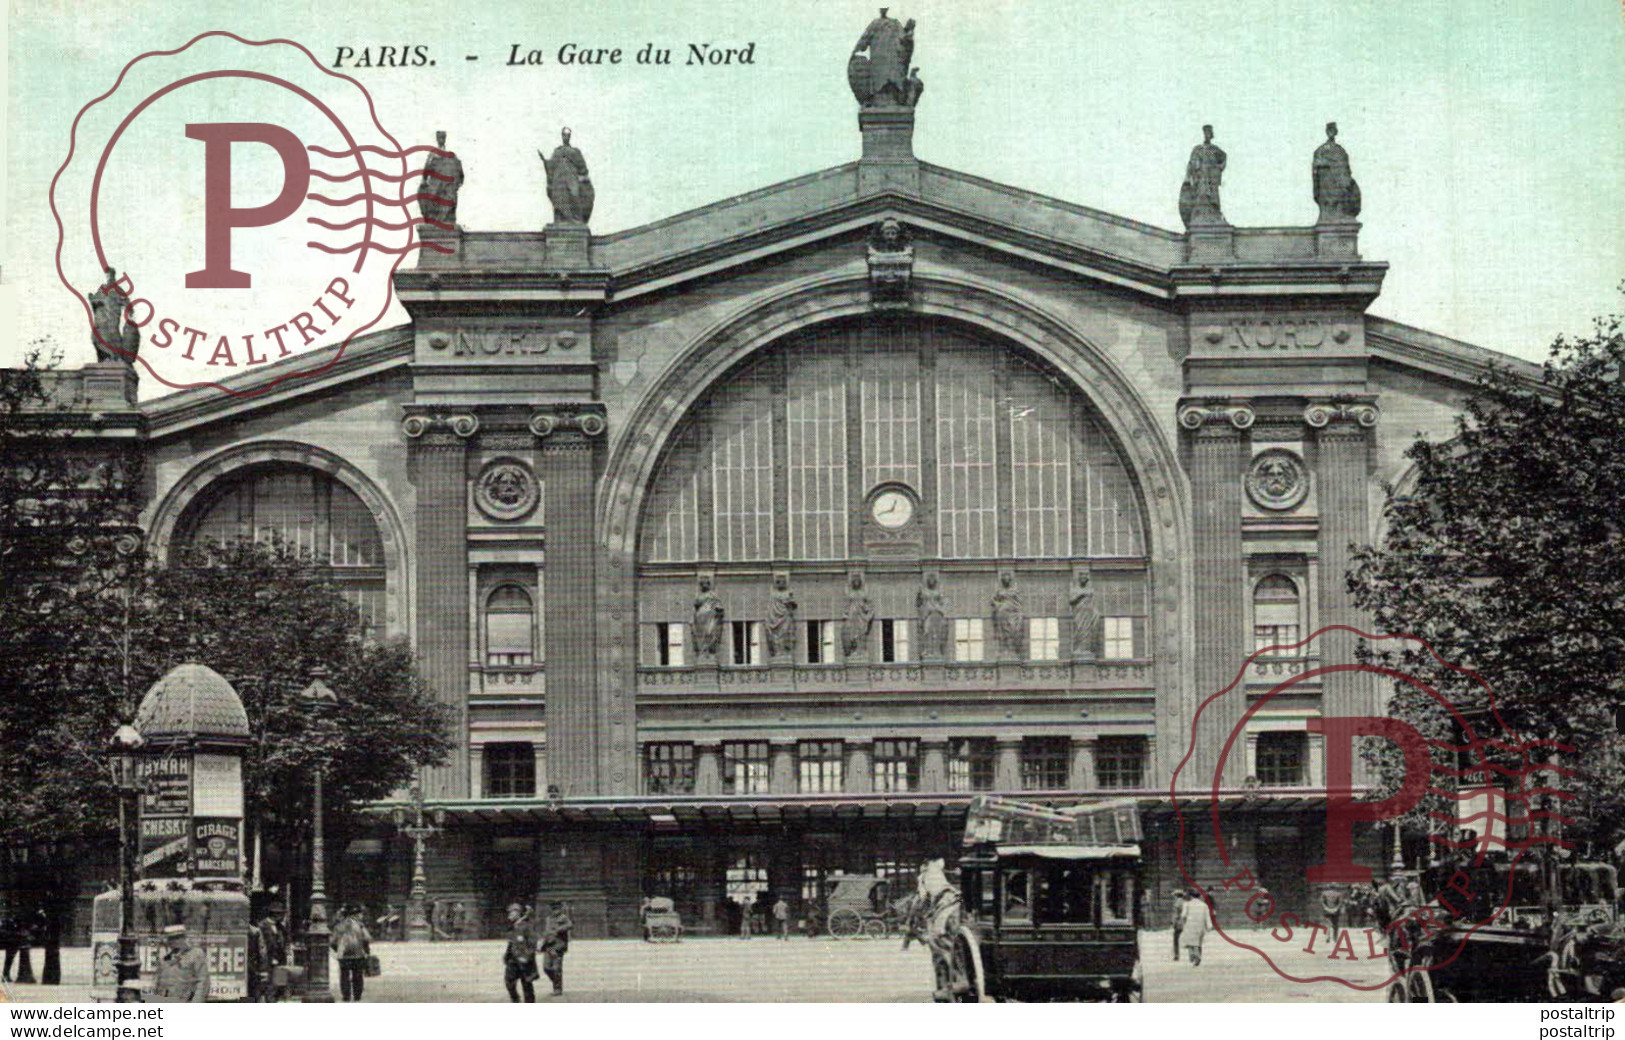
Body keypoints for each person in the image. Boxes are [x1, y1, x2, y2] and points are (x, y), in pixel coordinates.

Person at [150, 925, 209, 1002]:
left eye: (175, 938)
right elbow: (158, 985)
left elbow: (203, 981)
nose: (170, 942)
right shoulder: (165, 960)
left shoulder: (195, 954)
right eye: (169, 939)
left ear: (183, 938)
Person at [330, 904, 373, 1002]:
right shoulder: (360, 925)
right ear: (355, 915)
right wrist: (366, 950)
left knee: (344, 976)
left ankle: (346, 996)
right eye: (360, 914)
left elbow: (332, 941)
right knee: (358, 976)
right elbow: (368, 938)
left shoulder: (339, 926)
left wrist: (338, 949)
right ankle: (357, 995)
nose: (361, 916)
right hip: (358, 954)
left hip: (343, 955)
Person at [501, 903, 538, 1003]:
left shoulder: (526, 926)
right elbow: (511, 943)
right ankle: (515, 1000)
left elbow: (533, 943)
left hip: (524, 960)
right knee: (509, 982)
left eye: (511, 912)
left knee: (527, 985)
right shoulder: (513, 926)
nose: (509, 915)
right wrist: (506, 956)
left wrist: (526, 957)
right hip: (513, 960)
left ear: (518, 913)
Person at [540, 902, 572, 997]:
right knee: (546, 968)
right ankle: (556, 982)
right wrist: (542, 944)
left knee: (556, 968)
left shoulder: (563, 918)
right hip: (548, 946)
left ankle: (557, 988)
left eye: (557, 909)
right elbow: (546, 932)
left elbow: (570, 925)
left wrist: (559, 928)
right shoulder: (548, 919)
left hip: (558, 946)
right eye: (553, 909)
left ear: (560, 909)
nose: (555, 911)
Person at [1178, 890, 1211, 967]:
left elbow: (1183, 915)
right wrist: (1209, 926)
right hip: (1200, 925)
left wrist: (1183, 922)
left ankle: (1194, 956)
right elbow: (1207, 916)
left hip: (1190, 925)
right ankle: (1197, 956)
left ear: (1191, 896)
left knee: (1190, 942)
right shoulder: (1204, 905)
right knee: (1198, 942)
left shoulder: (1187, 904)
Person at [1, 914, 21, 982]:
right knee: (9, 959)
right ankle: (5, 975)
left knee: (9, 960)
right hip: (10, 941)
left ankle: (6, 975)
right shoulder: (8, 921)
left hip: (10, 941)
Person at [1169, 889, 1187, 961]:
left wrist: (1172, 922)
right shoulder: (1185, 902)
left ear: (1176, 896)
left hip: (1178, 923)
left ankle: (1176, 955)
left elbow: (1175, 914)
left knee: (1175, 939)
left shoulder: (1177, 903)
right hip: (1185, 922)